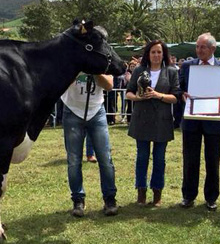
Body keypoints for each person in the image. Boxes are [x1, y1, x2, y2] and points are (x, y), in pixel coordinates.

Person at [179, 34, 220, 211]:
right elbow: (179, 88)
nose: (199, 50)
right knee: (190, 160)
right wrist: (182, 94)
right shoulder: (188, 66)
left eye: (203, 47)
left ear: (213, 49)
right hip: (192, 120)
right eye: (197, 47)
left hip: (214, 121)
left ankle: (211, 197)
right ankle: (188, 196)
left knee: (212, 160)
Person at [125, 40, 181, 207]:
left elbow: (176, 97)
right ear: (147, 55)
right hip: (141, 119)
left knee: (159, 158)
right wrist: (137, 97)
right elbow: (128, 92)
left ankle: (157, 193)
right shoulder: (139, 70)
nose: (156, 55)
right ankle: (141, 192)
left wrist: (158, 95)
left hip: (162, 121)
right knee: (142, 157)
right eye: (153, 52)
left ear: (164, 54)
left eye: (159, 52)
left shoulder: (171, 71)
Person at [61, 72, 119, 217]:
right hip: (72, 111)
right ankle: (78, 200)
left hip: (96, 111)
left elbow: (109, 85)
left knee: (105, 158)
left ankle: (110, 199)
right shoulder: (70, 57)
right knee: (74, 160)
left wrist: (95, 71)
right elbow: (60, 85)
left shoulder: (101, 58)